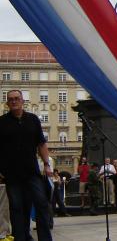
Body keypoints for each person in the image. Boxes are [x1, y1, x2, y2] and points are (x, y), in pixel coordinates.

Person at [0, 90, 53, 241]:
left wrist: (47, 165)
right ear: (7, 103)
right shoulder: (1, 122)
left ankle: (45, 238)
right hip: (11, 174)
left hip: (32, 172)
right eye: (10, 99)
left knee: (41, 203)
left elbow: (41, 144)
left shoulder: (33, 119)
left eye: (17, 98)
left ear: (23, 101)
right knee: (17, 208)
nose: (14, 101)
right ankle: (21, 238)